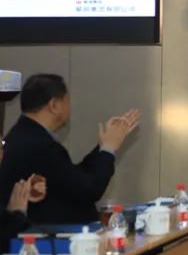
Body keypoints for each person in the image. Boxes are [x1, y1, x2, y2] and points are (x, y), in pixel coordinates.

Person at [0, 74, 136, 224]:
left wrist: (105, 146)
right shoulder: (39, 145)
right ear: (54, 105)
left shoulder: (27, 135)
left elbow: (73, 177)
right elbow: (87, 190)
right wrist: (108, 149)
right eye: (67, 101)